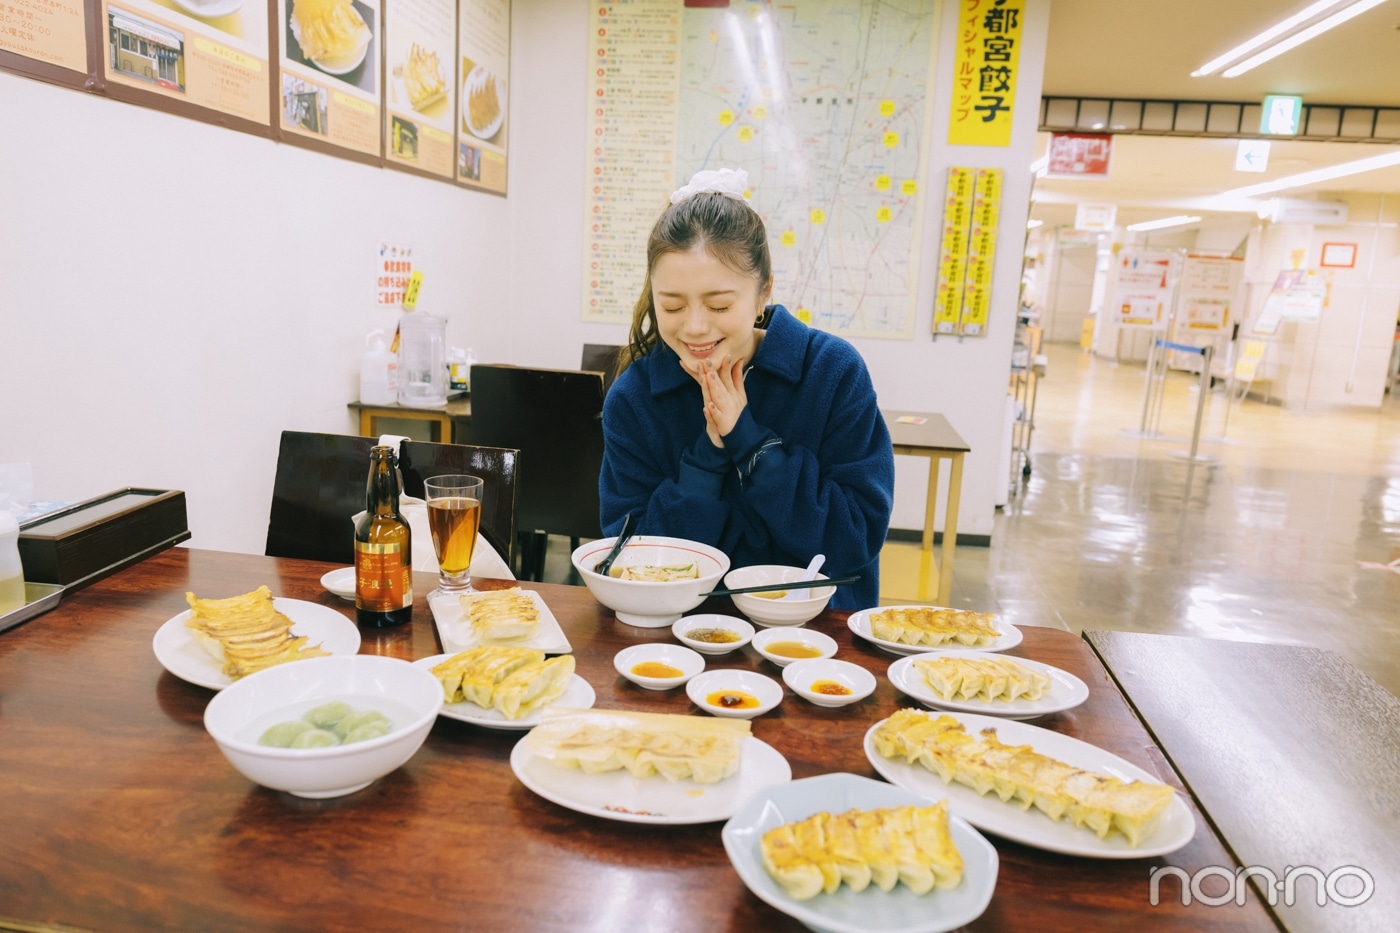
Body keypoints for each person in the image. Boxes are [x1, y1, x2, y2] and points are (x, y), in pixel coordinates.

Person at [600, 168, 894, 610]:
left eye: (719, 304)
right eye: (672, 305)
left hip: (816, 639)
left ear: (763, 294)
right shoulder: (635, 398)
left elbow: (855, 540)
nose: (695, 327)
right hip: (680, 637)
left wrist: (751, 443)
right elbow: (631, 562)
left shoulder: (831, 372)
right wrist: (707, 458)